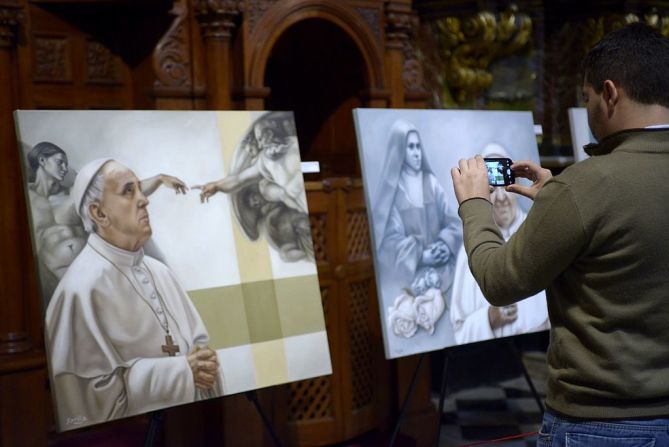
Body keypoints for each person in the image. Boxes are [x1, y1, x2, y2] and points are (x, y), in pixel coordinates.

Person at [451, 23, 669, 445]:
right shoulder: (578, 192)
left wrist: (474, 204)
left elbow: (499, 282)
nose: (587, 111)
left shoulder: (588, 186)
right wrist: (559, 198)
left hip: (603, 425)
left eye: (586, 99)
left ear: (610, 93)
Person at [45, 158, 222, 431]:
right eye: (129, 191)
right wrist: (180, 372)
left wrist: (203, 362)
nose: (144, 200)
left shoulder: (159, 272)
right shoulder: (79, 291)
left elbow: (198, 344)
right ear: (99, 214)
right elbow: (90, 399)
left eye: (140, 189)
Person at [25, 142, 188, 308]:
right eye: (60, 162)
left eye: (66, 163)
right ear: (42, 161)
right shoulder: (25, 197)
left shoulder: (73, 194)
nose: (65, 168)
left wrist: (159, 179)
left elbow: (122, 194)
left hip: (90, 271)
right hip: (53, 278)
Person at [450, 144, 548, 344]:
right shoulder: (468, 248)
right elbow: (459, 328)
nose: (502, 198)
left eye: (507, 187)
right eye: (493, 190)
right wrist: (489, 319)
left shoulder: (540, 229)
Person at [376, 120, 461, 338]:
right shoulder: (393, 191)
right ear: (399, 150)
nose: (416, 153)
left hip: (442, 270)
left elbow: (453, 221)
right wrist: (422, 256)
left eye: (418, 146)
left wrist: (444, 244)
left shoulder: (430, 182)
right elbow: (388, 242)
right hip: (410, 273)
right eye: (410, 147)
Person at [195, 114, 307, 214]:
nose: (259, 145)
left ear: (269, 133)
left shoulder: (295, 143)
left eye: (260, 139)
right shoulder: (264, 161)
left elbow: (314, 167)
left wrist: (298, 181)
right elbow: (239, 179)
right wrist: (217, 186)